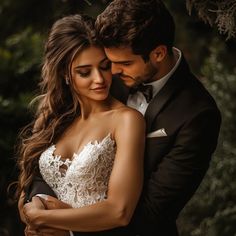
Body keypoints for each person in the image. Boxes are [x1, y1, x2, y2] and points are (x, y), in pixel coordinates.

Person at [94, 0, 221, 235]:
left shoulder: (198, 114)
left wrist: (70, 229)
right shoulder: (100, 79)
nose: (110, 72)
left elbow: (154, 212)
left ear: (158, 53)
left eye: (124, 63)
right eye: (109, 61)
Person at [17, 14, 145, 236]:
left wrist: (46, 219)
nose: (100, 79)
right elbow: (29, 186)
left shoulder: (126, 121)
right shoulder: (51, 117)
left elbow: (119, 211)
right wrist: (33, 207)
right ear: (65, 75)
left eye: (105, 67)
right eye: (85, 72)